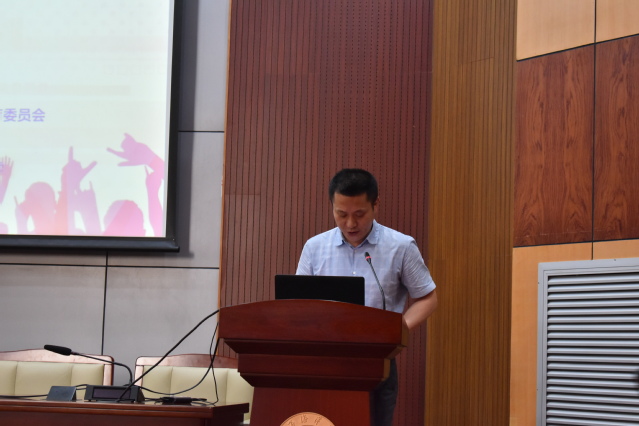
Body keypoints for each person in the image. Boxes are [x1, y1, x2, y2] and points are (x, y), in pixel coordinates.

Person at [296, 168, 438, 426]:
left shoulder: (400, 246)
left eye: (359, 214)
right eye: (342, 214)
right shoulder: (314, 248)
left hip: (378, 362)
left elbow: (428, 298)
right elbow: (297, 305)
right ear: (332, 207)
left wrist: (398, 328)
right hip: (324, 362)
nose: (351, 224)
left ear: (375, 204)